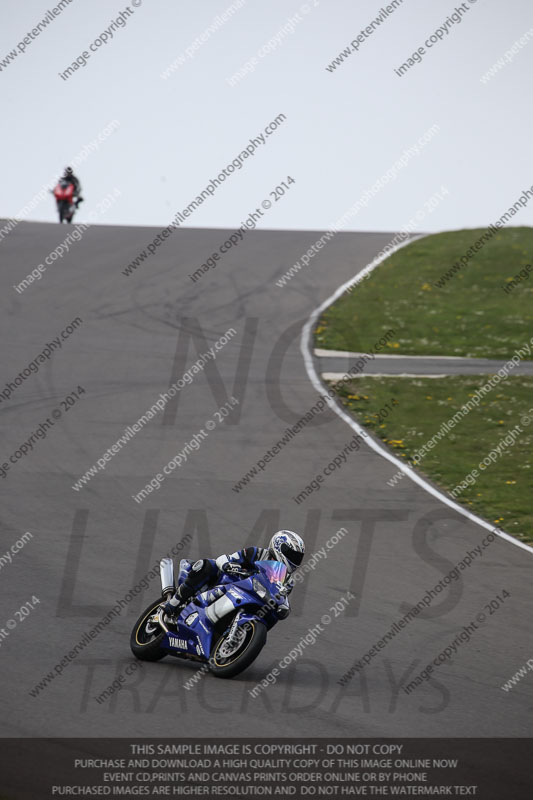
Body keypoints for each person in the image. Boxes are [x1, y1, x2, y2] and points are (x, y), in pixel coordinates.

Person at [163, 530, 305, 620]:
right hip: (231, 582)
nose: (295, 560)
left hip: (254, 599)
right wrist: (228, 564)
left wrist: (283, 608)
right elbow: (227, 558)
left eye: (298, 557)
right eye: (292, 554)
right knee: (208, 565)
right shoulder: (256, 553)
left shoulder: (288, 581)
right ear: (279, 547)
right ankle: (174, 603)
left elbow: (281, 598)